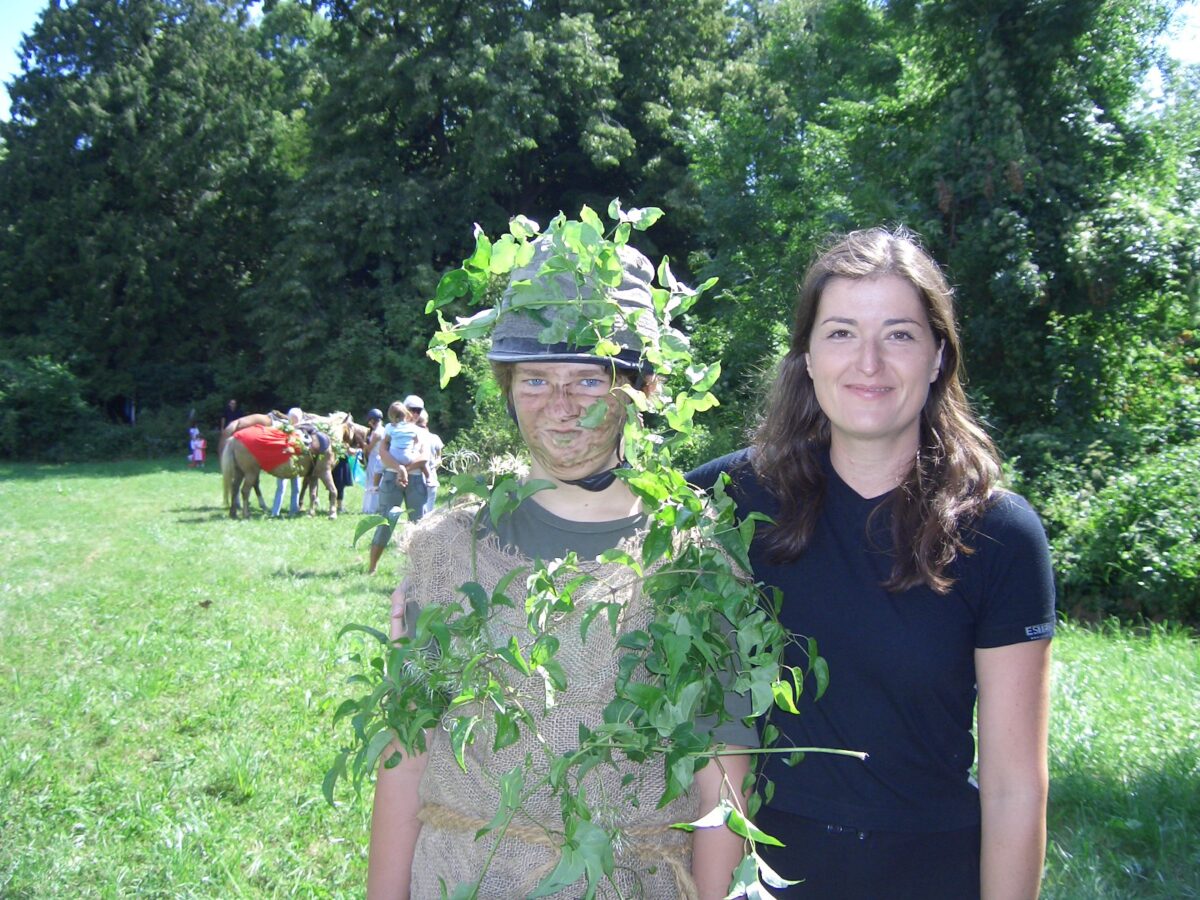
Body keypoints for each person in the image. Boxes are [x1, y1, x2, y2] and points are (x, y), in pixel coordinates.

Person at [367, 236, 754, 899]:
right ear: (508, 390)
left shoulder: (693, 563)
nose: (562, 405)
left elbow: (724, 782)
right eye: (537, 380)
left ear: (640, 391)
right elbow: (407, 754)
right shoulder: (446, 551)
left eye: (588, 380)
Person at [688, 227, 1056, 899]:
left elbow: (1014, 789)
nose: (869, 363)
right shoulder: (721, 505)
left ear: (939, 356)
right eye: (840, 334)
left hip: (932, 873)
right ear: (805, 355)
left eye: (899, 335)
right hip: (764, 874)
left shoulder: (1000, 534)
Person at [366, 399, 427, 574]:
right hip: (394, 478)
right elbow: (382, 453)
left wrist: (403, 470)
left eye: (418, 410)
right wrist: (400, 469)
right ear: (405, 411)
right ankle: (372, 567)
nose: (415, 413)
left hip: (412, 479)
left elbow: (425, 456)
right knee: (386, 521)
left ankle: (420, 569)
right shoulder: (391, 430)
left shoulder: (419, 431)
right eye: (412, 410)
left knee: (418, 524)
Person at [414, 407, 443, 516]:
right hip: (431, 474)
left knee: (417, 511)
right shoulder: (434, 437)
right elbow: (439, 459)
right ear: (427, 421)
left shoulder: (413, 436)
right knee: (429, 509)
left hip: (416, 475)